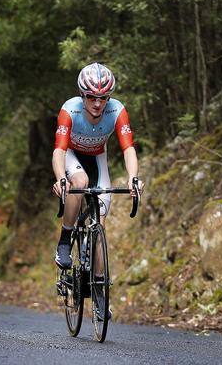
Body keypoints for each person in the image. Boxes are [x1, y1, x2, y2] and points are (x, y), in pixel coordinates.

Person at [51, 62, 143, 319]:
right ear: (83, 95)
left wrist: (133, 178)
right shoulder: (69, 110)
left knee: (100, 222)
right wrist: (61, 178)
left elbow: (128, 148)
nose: (97, 104)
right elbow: (59, 150)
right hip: (72, 156)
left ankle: (100, 291)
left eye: (103, 98)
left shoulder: (117, 111)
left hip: (98, 158)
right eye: (91, 97)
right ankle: (65, 241)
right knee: (77, 184)